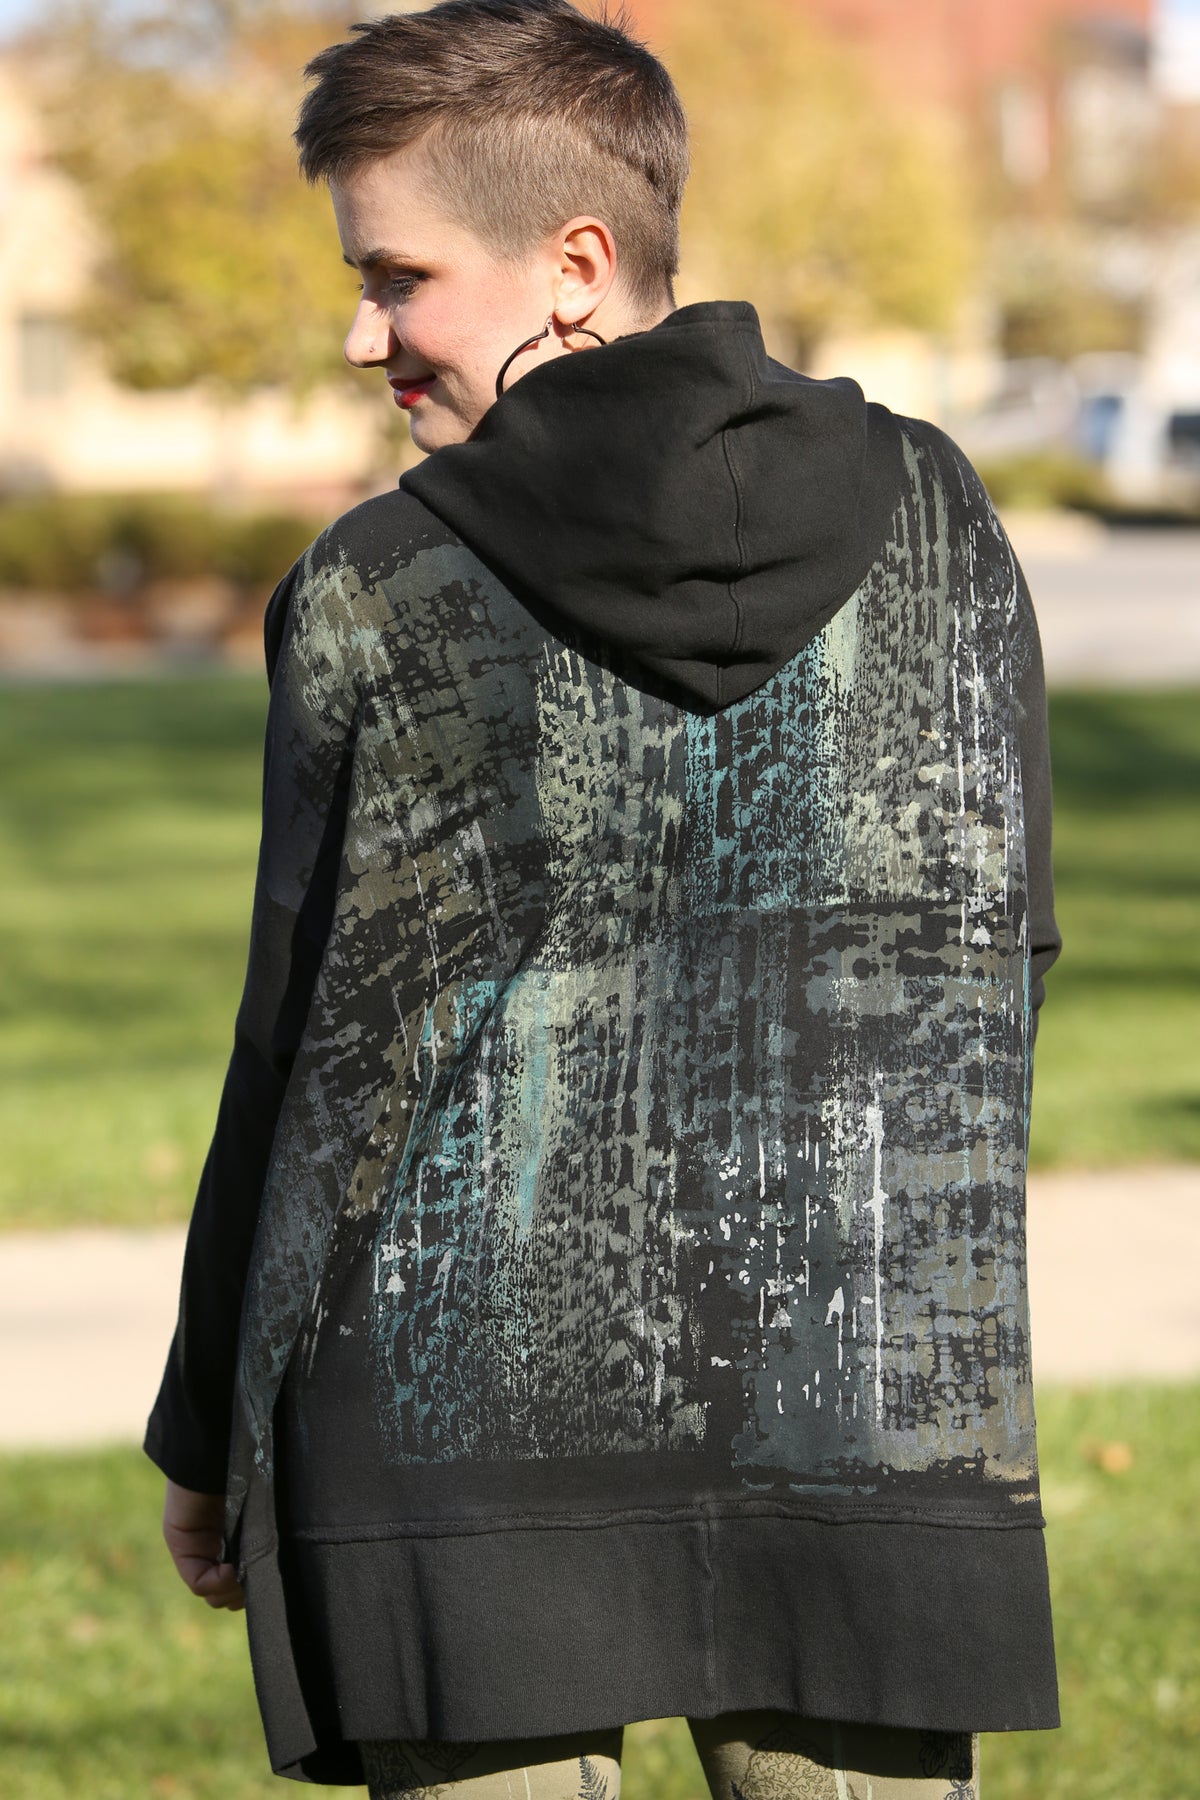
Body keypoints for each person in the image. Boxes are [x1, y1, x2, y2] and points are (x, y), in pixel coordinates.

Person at [144, 3, 1063, 1796]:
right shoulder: (940, 520)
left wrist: (207, 1427)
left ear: (573, 266)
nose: (361, 334)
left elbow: (303, 1052)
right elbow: (998, 959)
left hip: (448, 1436)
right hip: (860, 1406)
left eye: (396, 277)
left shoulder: (376, 586)